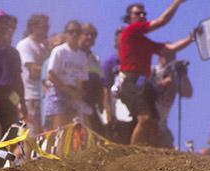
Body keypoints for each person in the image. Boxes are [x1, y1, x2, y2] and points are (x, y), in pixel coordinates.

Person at [115, 0, 198, 146]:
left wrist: (191, 38)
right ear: (129, 17)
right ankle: (133, 154)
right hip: (130, 82)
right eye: (137, 13)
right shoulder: (130, 31)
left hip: (143, 84)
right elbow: (162, 21)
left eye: (143, 13)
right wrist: (177, 3)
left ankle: (150, 157)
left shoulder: (144, 41)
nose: (141, 15)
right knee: (145, 119)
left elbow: (170, 49)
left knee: (154, 123)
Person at [0, 10, 25, 140]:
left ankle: (6, 160)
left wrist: (22, 102)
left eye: (6, 23)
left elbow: (18, 80)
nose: (3, 26)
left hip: (9, 97)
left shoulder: (13, 53)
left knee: (11, 134)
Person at [44, 20, 88, 130]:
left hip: (74, 94)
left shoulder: (82, 56)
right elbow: (51, 75)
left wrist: (77, 93)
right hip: (58, 92)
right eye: (71, 31)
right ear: (65, 34)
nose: (74, 35)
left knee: (74, 130)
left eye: (77, 32)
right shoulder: (59, 51)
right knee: (60, 130)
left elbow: (81, 79)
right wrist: (67, 90)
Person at [150, 48, 193, 148]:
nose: (170, 59)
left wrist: (183, 75)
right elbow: (144, 89)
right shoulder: (152, 71)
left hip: (162, 125)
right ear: (160, 57)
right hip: (149, 122)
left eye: (172, 56)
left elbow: (188, 93)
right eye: (167, 56)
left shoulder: (174, 76)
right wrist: (162, 83)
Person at [16, 14, 49, 136]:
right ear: (33, 27)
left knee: (42, 135)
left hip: (43, 97)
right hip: (30, 97)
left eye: (47, 26)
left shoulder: (43, 47)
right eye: (44, 26)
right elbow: (33, 72)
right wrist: (50, 71)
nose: (47, 29)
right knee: (30, 135)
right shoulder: (25, 44)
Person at [79, 23, 107, 133]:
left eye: (93, 35)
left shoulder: (95, 59)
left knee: (98, 132)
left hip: (92, 102)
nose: (90, 37)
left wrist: (102, 102)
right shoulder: (72, 53)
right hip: (76, 99)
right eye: (87, 34)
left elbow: (101, 81)